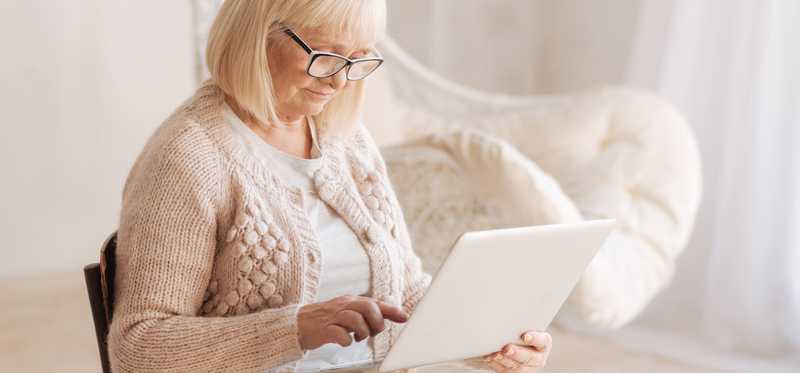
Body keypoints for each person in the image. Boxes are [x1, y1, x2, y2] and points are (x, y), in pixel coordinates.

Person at [108, 1, 552, 372]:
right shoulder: (188, 158)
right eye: (324, 54)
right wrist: (294, 329)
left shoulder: (345, 138)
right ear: (256, 35)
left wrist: (491, 340)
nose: (340, 80)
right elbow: (138, 345)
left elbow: (404, 291)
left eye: (358, 59)